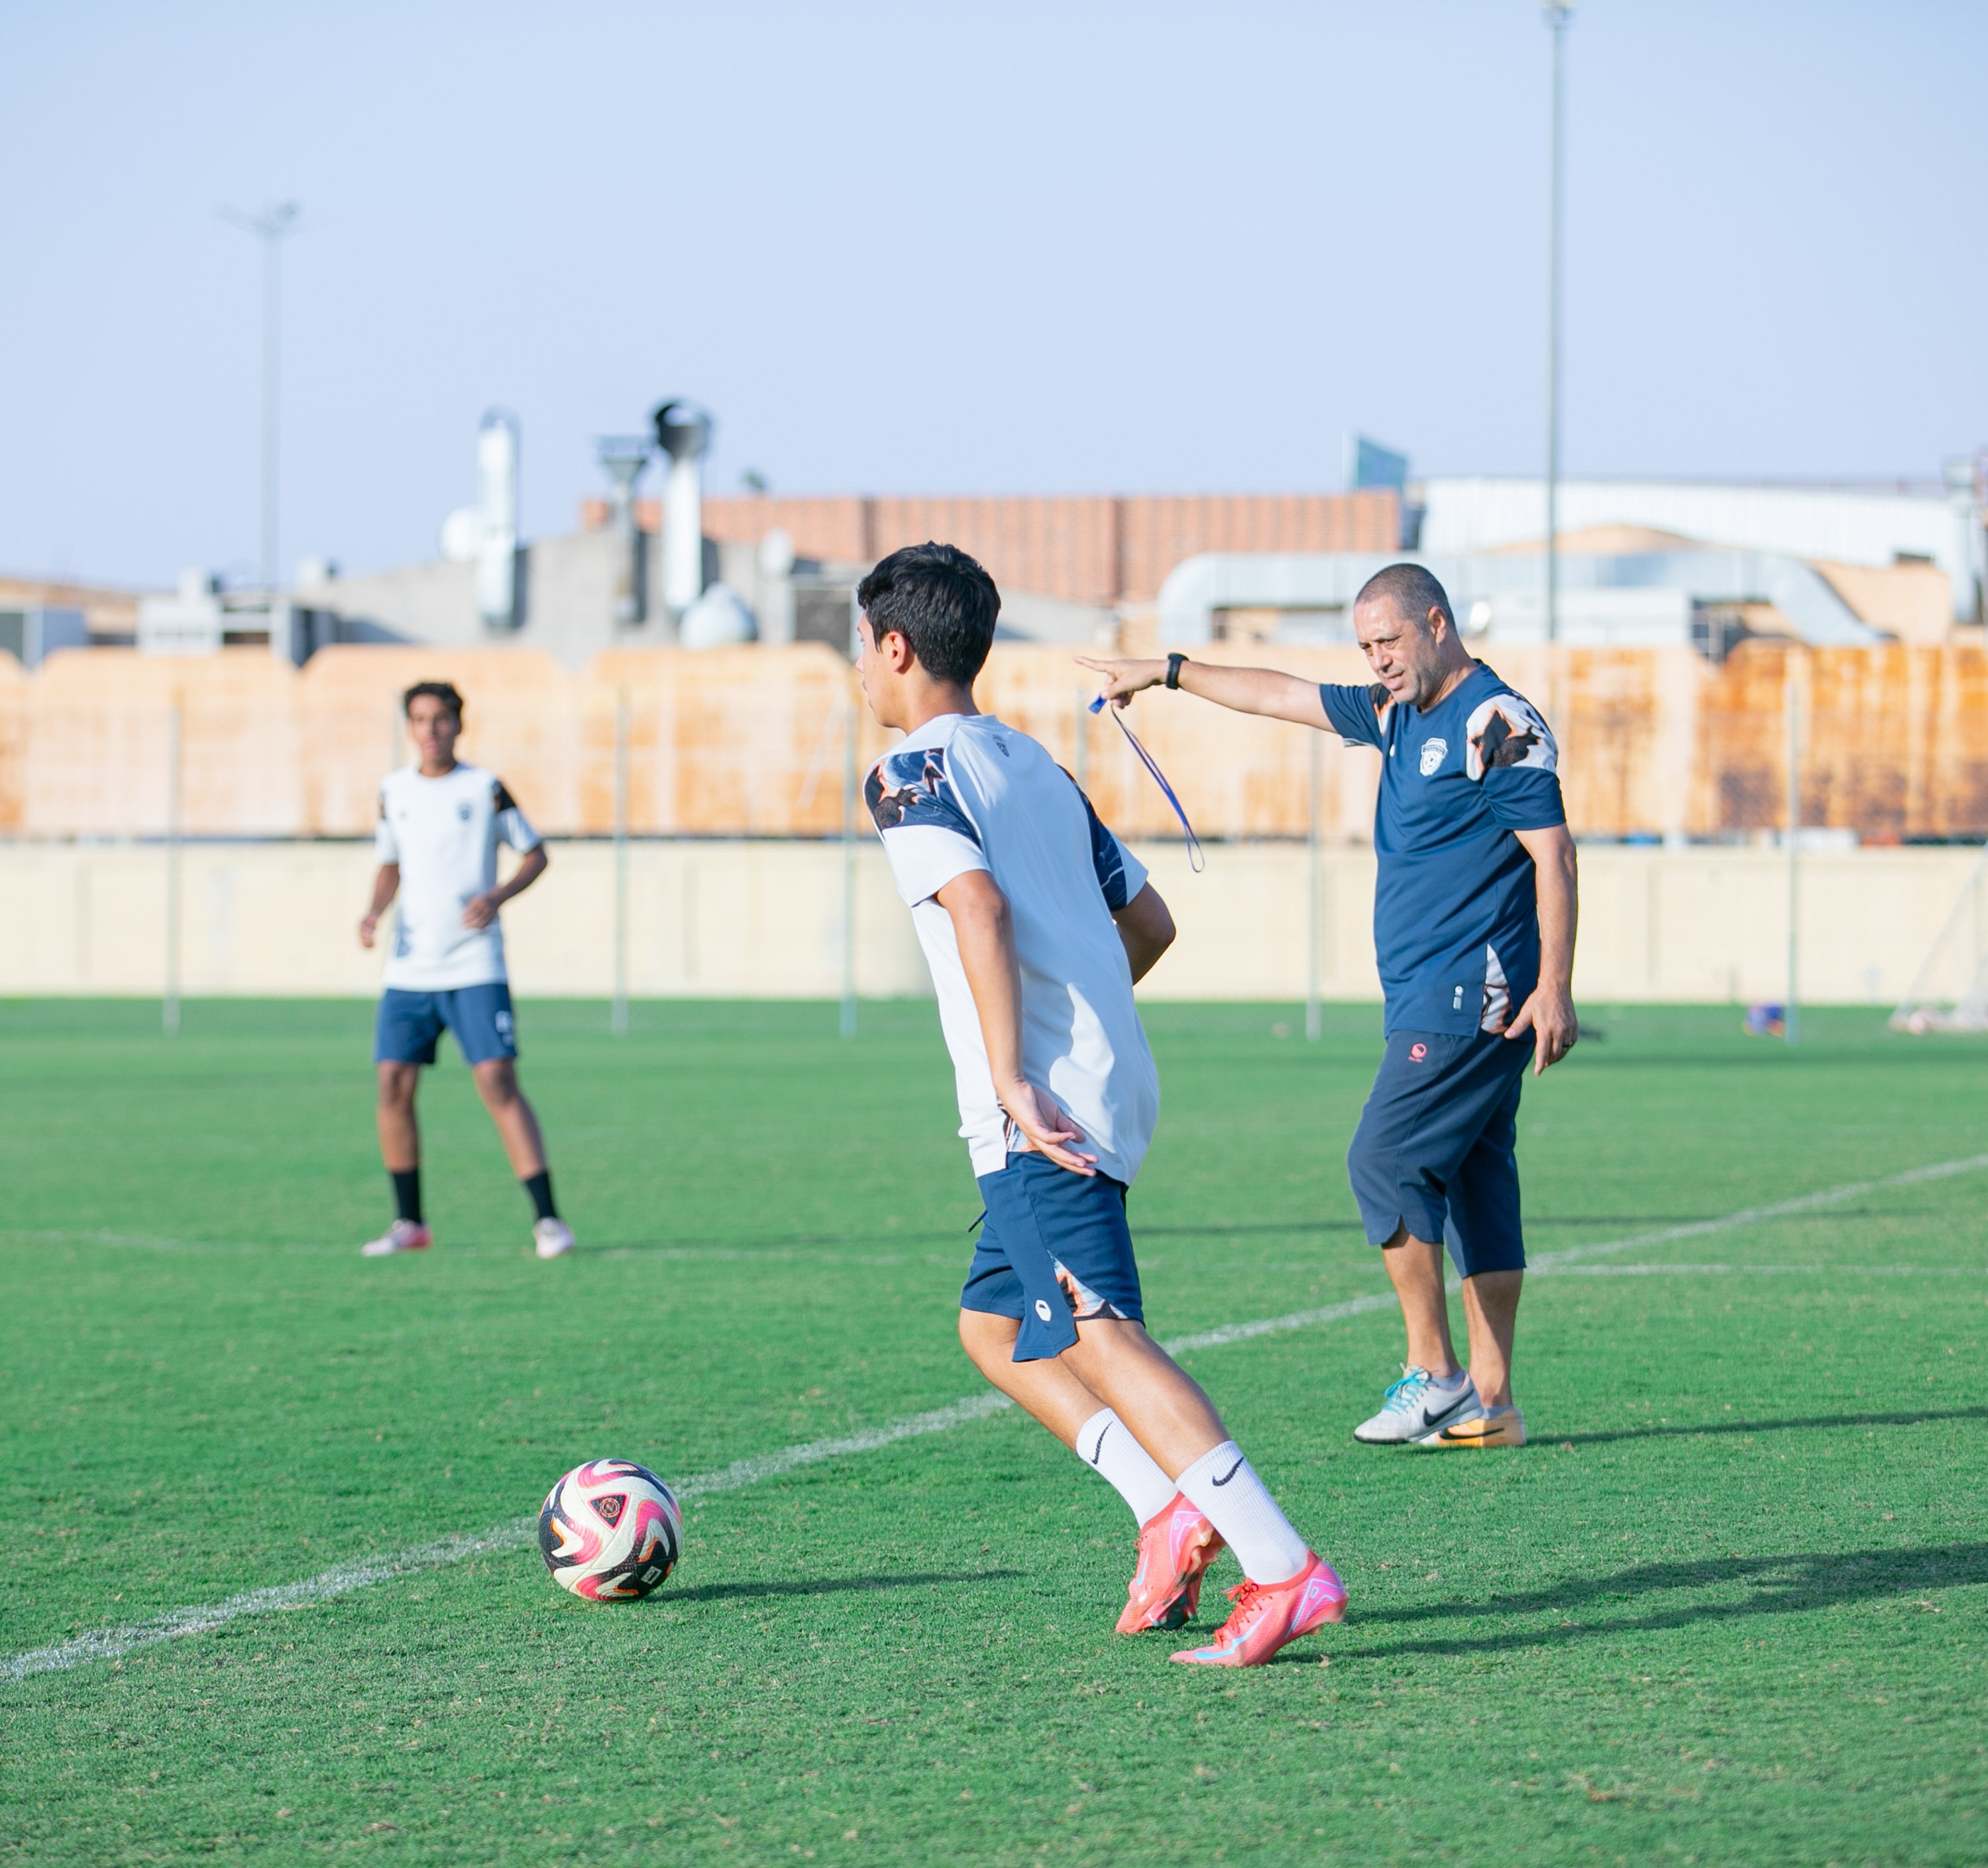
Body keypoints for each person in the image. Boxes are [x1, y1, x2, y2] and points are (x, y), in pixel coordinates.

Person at [857, 541, 1346, 1667]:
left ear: (894, 646)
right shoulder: (1038, 764)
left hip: (1043, 1103)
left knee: (1094, 1328)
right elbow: (1151, 924)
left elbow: (974, 905)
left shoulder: (910, 773)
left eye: (863, 651)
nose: (862, 674)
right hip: (1109, 1079)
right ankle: (1165, 1508)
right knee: (995, 1325)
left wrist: (1019, 1073)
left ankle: (1284, 1566)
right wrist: (1080, 1017)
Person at [1079, 562, 1578, 1449]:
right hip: (1435, 993)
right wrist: (1167, 670)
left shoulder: (1496, 720)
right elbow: (1280, 693)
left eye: (1389, 640)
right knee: (1475, 1181)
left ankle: (1435, 1374)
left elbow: (1556, 856)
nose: (1378, 659)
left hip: (1471, 991)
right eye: (1366, 646)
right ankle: (1493, 1403)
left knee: (1382, 1160)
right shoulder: (1396, 714)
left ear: (1437, 622)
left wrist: (1556, 987)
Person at [357, 681, 575, 1261]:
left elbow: (536, 853)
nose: (431, 730)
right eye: (421, 720)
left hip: (474, 963)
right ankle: (410, 1223)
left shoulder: (484, 789)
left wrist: (498, 896)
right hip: (409, 968)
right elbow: (390, 863)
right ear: (410, 727)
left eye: (441, 719)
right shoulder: (393, 791)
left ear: (459, 725)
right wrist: (375, 911)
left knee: (497, 1083)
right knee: (392, 1085)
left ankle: (548, 1220)